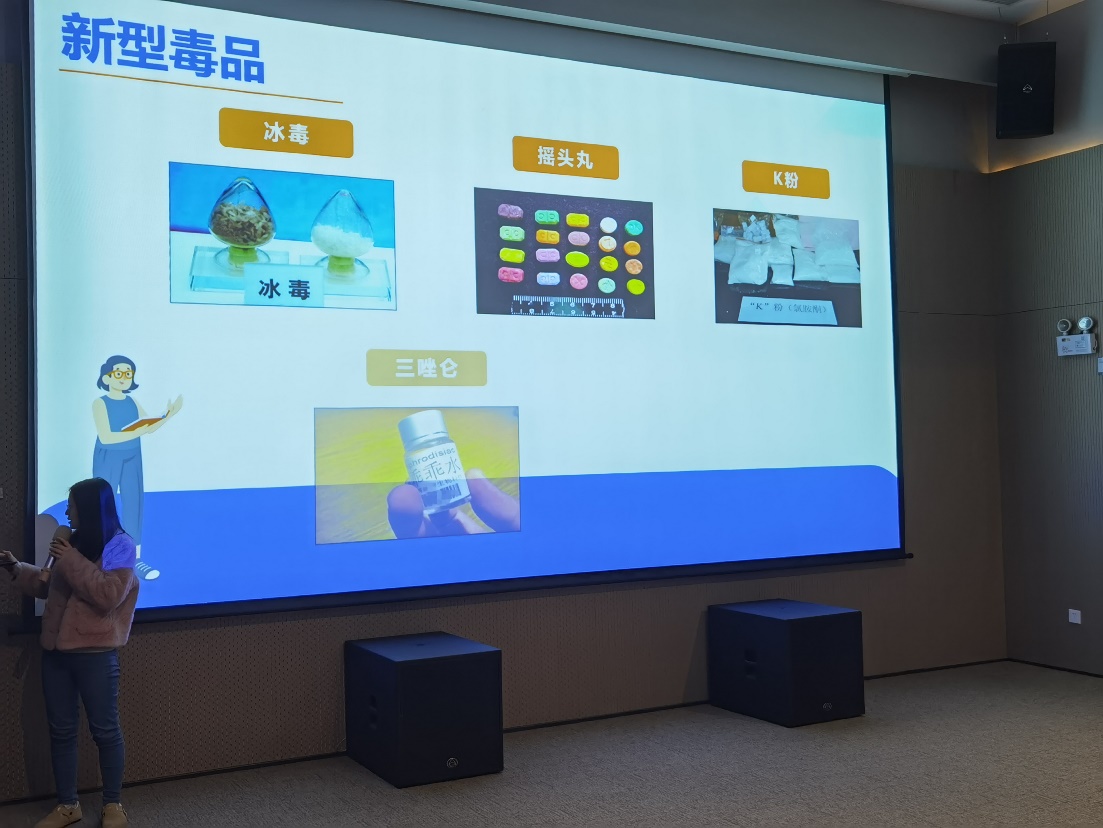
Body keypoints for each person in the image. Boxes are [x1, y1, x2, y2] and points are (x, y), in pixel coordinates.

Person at [0, 478, 139, 828]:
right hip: (56, 654)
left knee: (105, 730)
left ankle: (113, 805)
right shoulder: (71, 543)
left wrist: (71, 558)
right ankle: (67, 805)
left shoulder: (120, 545)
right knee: (61, 731)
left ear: (89, 508)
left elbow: (108, 596)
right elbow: (47, 585)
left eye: (71, 505)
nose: (66, 512)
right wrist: (16, 567)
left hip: (96, 654)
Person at [92, 355, 183, 581]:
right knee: (104, 506)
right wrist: (137, 431)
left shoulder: (132, 401)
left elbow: (148, 427)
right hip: (108, 457)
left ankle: (135, 559)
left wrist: (168, 415)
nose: (124, 377)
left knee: (134, 504)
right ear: (107, 377)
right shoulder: (100, 403)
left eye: (128, 374)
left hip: (132, 456)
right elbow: (107, 436)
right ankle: (101, 557)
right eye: (118, 373)